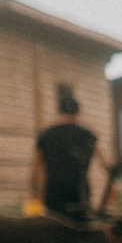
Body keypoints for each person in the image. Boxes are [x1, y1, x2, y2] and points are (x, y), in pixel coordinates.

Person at [32, 88, 100, 220]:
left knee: (55, 230)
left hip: (53, 193)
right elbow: (105, 162)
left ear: (60, 112)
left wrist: (33, 191)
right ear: (77, 113)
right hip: (78, 194)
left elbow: (34, 165)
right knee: (80, 233)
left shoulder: (46, 134)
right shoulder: (87, 134)